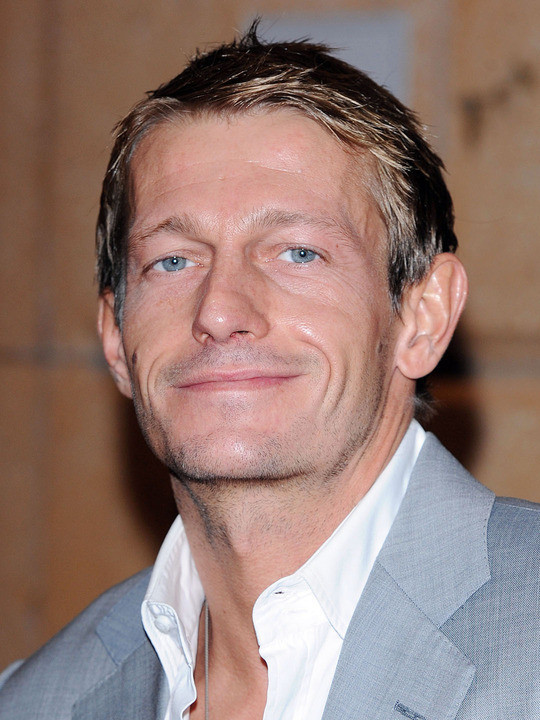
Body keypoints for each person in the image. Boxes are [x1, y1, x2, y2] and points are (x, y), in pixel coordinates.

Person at [0, 23, 538, 720]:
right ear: (115, 337)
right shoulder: (36, 701)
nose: (219, 311)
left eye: (297, 253)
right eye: (173, 260)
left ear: (423, 316)